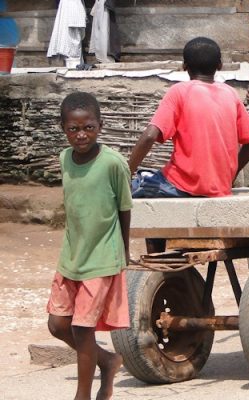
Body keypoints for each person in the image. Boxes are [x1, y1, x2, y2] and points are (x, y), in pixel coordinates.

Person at [47, 92, 132, 399]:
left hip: (102, 257)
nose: (81, 135)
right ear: (63, 128)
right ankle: (107, 361)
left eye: (88, 128)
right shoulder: (64, 159)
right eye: (73, 129)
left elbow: (124, 208)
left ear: (100, 125)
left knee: (83, 329)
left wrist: (124, 250)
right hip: (72, 256)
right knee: (58, 325)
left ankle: (83, 395)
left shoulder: (113, 164)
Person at [129, 36, 249, 199]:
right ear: (219, 66)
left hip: (180, 186)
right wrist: (231, 175)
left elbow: (149, 136)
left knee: (135, 184)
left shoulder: (179, 91)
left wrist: (125, 174)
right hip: (220, 188)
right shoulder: (230, 93)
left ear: (184, 66)